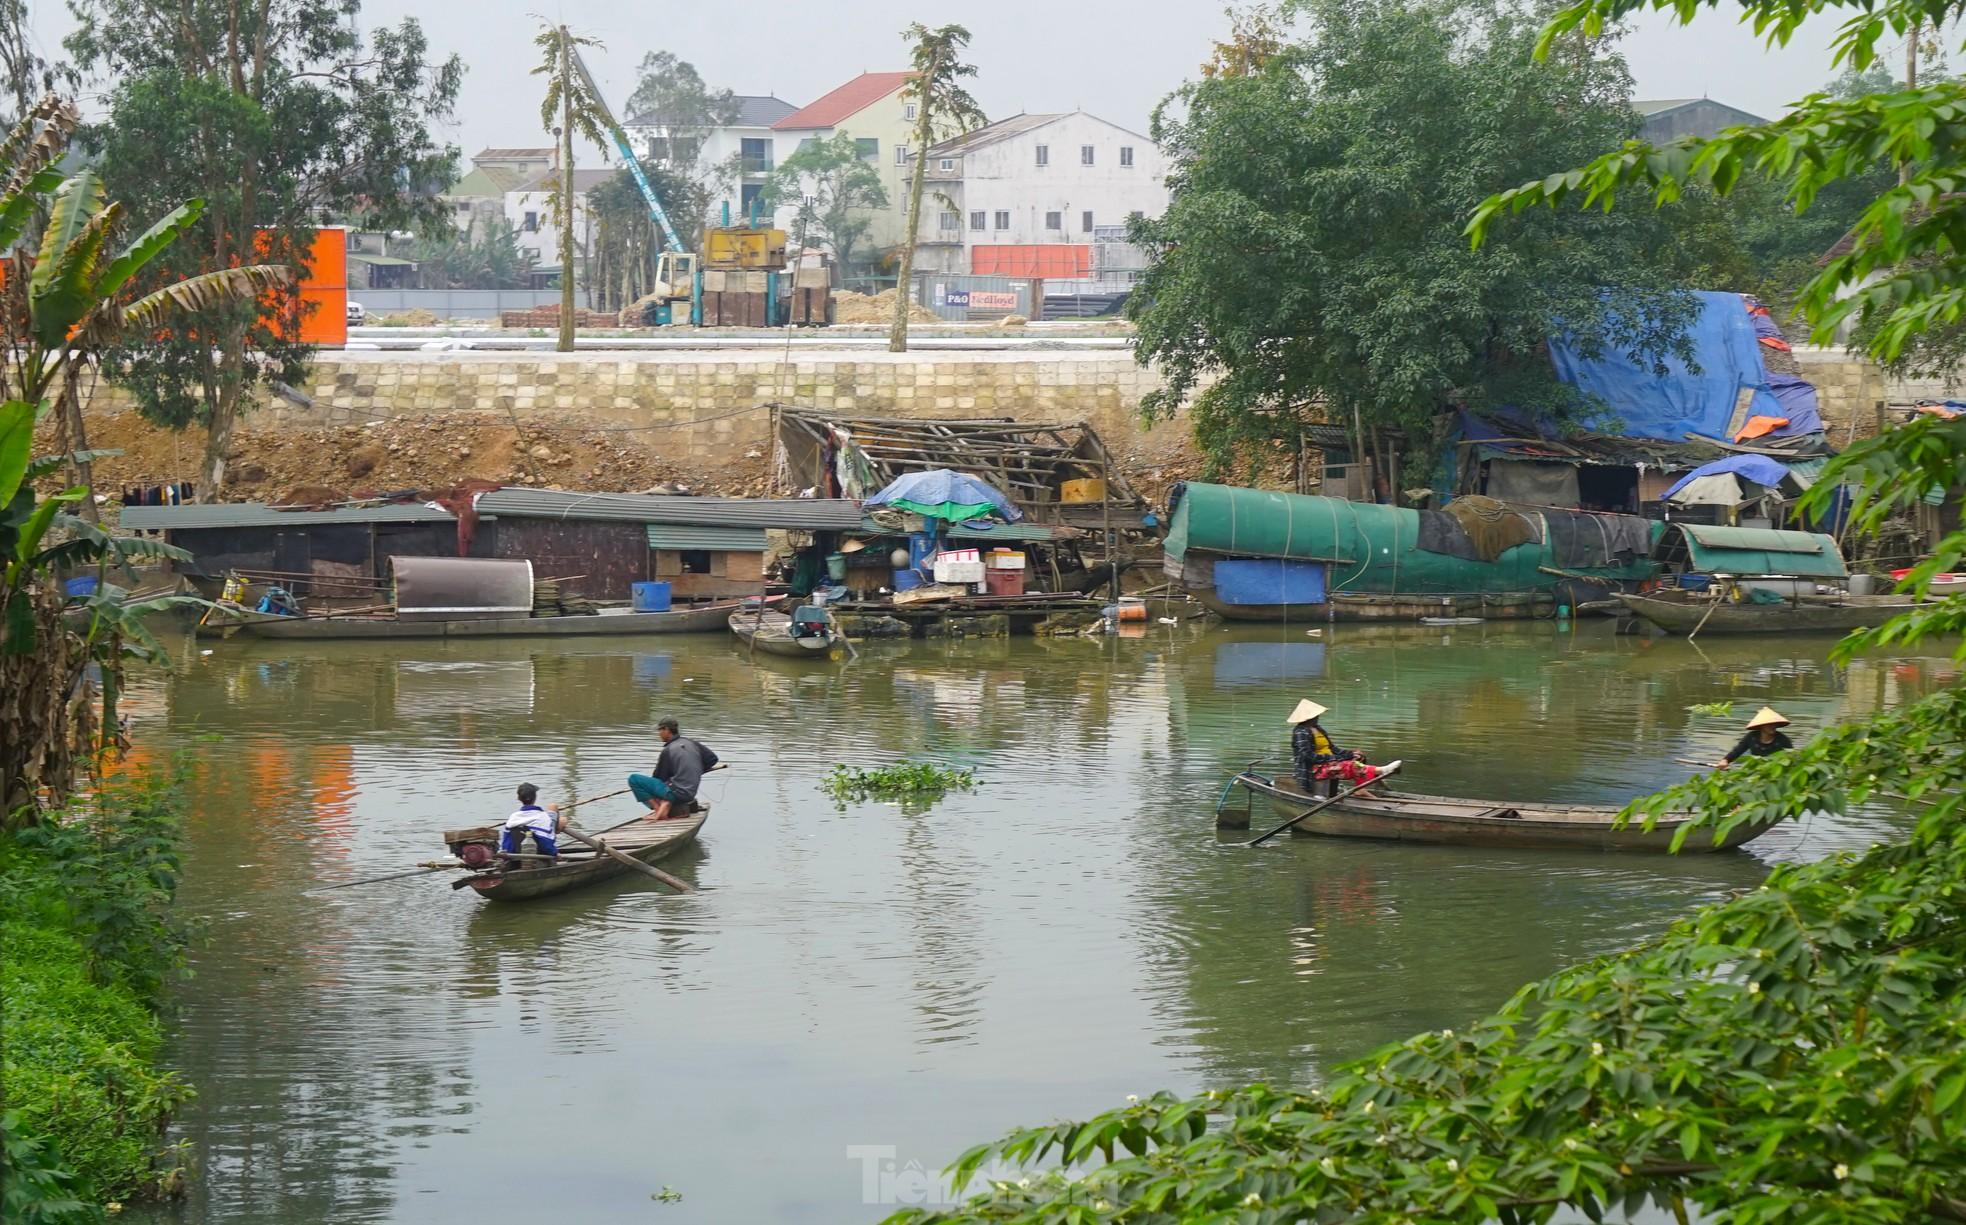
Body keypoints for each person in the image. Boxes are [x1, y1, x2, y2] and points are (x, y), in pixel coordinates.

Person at [629, 718, 719, 821]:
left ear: (667, 730)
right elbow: (712, 759)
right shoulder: (691, 743)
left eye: (660, 730)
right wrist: (696, 771)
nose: (659, 734)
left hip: (675, 794)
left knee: (634, 779)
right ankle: (666, 805)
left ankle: (658, 810)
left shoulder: (668, 750)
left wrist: (647, 789)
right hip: (690, 794)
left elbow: (659, 778)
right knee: (665, 785)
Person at [1289, 698, 1382, 796]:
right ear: (1310, 717)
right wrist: (1336, 758)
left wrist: (1349, 754)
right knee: (1352, 766)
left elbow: (1333, 749)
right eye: (1315, 715)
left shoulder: (1318, 729)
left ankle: (1360, 788)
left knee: (1360, 757)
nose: (1318, 717)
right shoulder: (1300, 732)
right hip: (1314, 768)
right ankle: (1381, 770)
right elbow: (1308, 756)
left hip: (1328, 762)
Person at [501, 783, 564, 858]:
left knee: (558, 816)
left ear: (519, 798)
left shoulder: (513, 817)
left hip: (517, 853)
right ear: (535, 797)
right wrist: (555, 853)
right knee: (559, 815)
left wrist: (507, 858)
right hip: (539, 854)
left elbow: (506, 844)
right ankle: (557, 828)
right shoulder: (543, 816)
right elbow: (546, 845)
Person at [1719, 707, 1794, 767]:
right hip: (1756, 767)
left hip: (1774, 768)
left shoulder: (1783, 739)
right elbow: (1737, 751)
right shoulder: (1751, 737)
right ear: (1761, 726)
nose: (1773, 726)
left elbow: (1791, 757)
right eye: (1769, 724)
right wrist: (1725, 760)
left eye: (1774, 724)